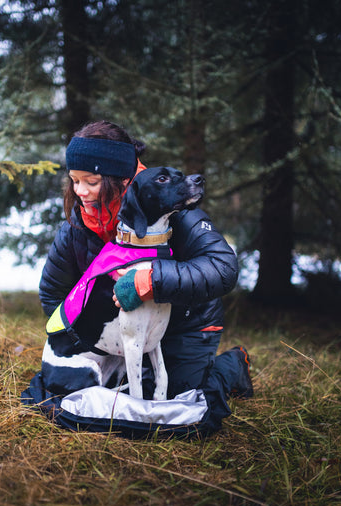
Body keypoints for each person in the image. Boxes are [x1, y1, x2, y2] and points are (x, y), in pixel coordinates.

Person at [25, 120, 253, 435]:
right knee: (83, 392)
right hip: (127, 334)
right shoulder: (76, 227)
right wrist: (88, 341)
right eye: (74, 181)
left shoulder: (172, 204)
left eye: (91, 182)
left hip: (186, 325)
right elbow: (53, 293)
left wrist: (152, 279)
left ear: (123, 179)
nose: (81, 193)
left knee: (179, 395)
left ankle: (233, 365)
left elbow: (222, 268)